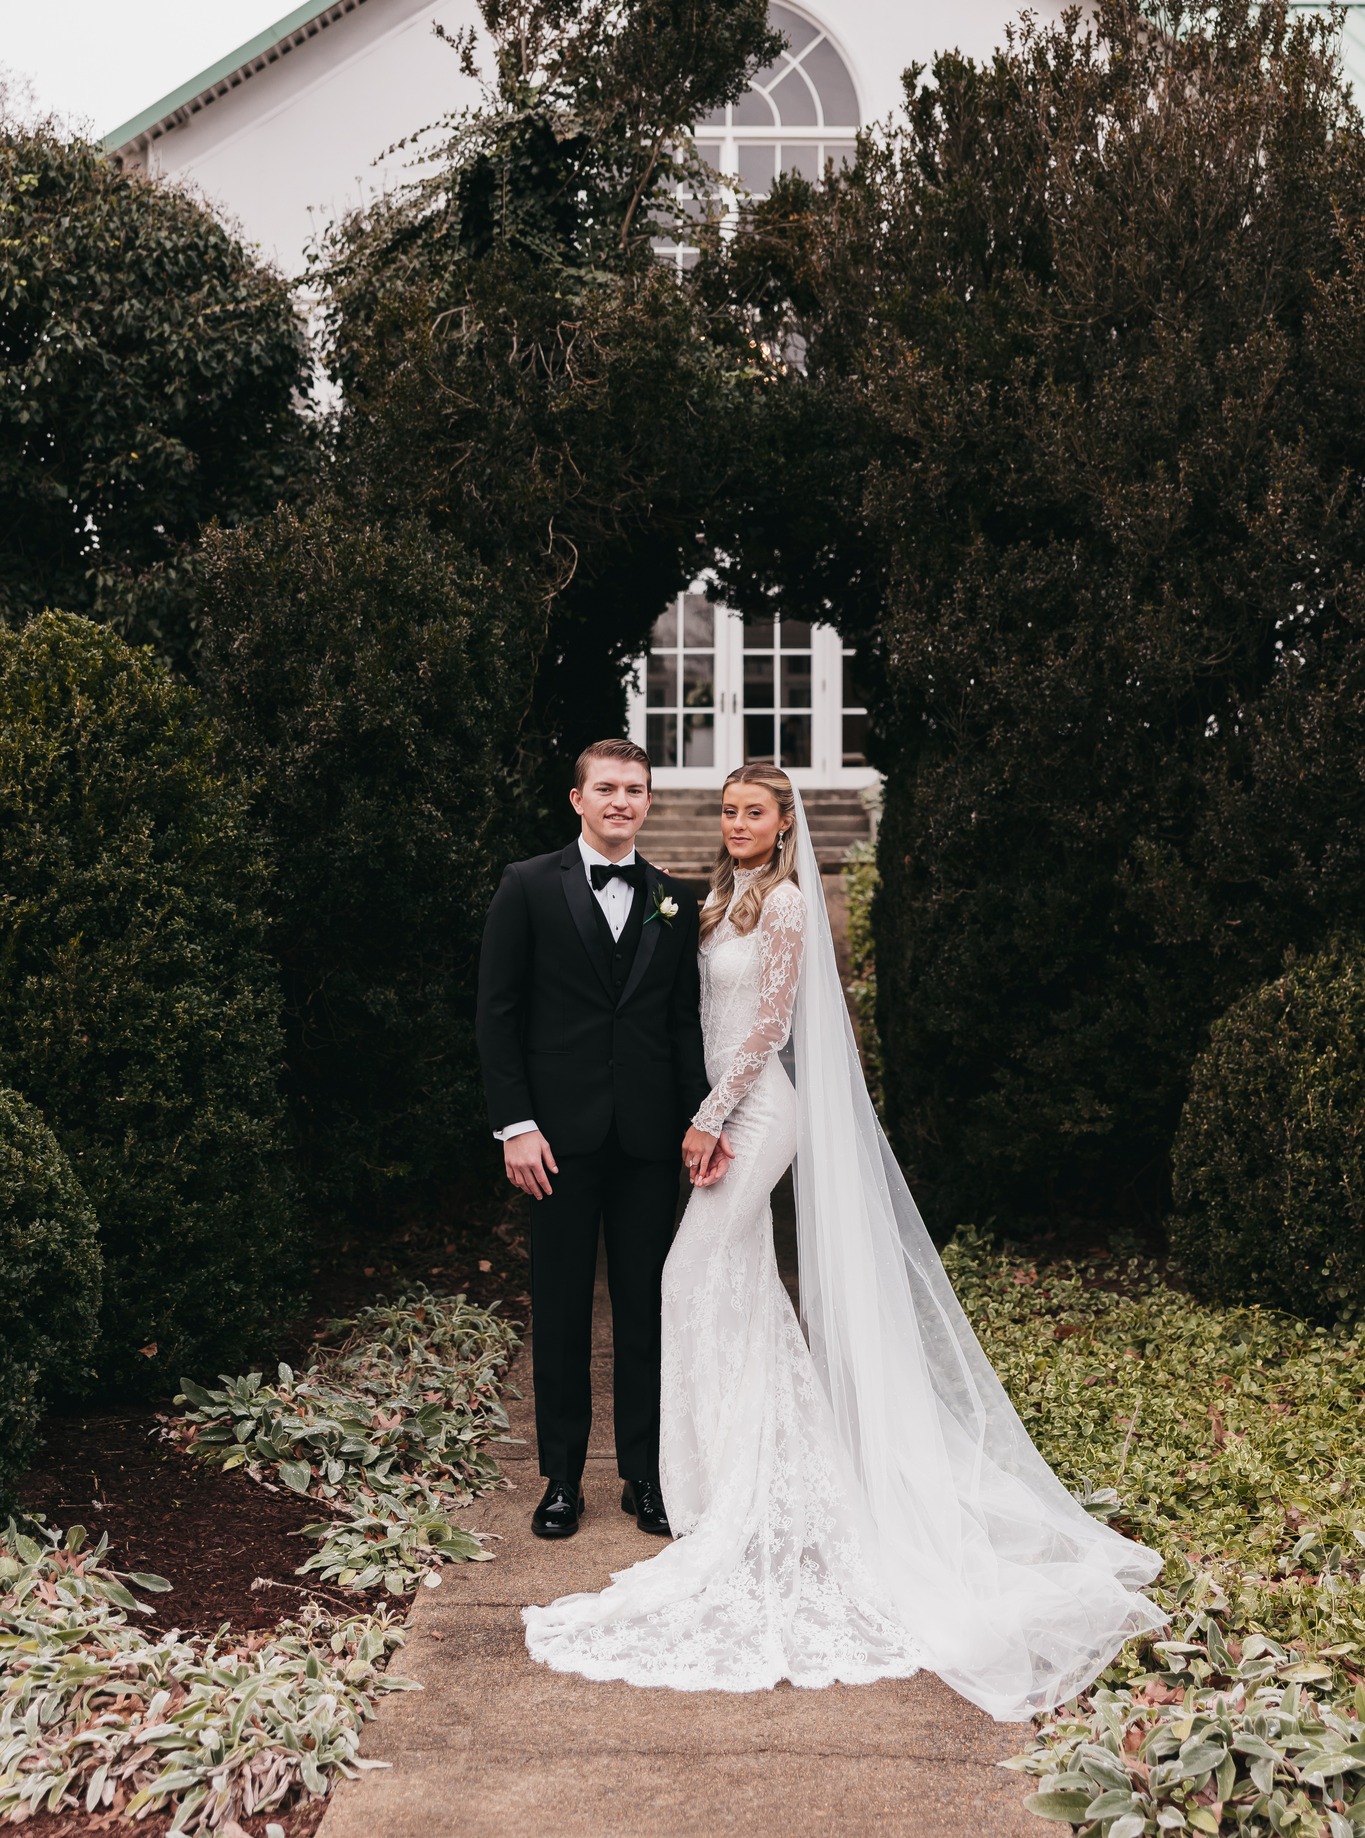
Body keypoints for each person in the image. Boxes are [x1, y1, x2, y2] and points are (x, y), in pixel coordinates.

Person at [521, 762, 1166, 1721]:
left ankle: (732, 1473)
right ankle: (722, 1463)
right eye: (730, 810)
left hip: (751, 1114)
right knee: (725, 1275)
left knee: (691, 1271)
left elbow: (765, 1029)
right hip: (708, 1116)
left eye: (755, 813)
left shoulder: (781, 906)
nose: (738, 823)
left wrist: (706, 1117)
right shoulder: (707, 900)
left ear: (784, 828)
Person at [475, 738, 730, 1542]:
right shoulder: (526, 886)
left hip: (651, 1140)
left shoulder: (673, 899)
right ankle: (559, 1481)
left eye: (636, 790)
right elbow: (497, 1014)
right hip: (554, 1140)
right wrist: (515, 1125)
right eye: (608, 788)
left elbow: (683, 1023)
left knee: (647, 1311)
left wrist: (702, 1119)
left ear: (648, 803)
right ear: (578, 799)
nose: (623, 801)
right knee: (557, 1310)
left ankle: (645, 1476)